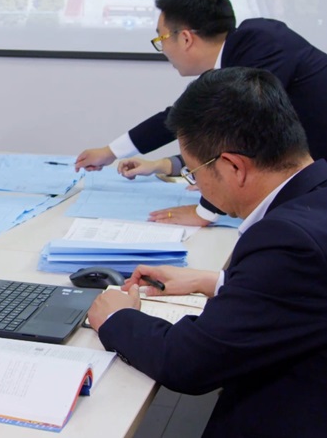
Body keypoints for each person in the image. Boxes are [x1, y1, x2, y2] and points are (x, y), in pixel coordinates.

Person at [87, 67, 327, 437]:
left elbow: (189, 363)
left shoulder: (286, 239)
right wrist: (215, 281)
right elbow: (301, 294)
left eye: (193, 173)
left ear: (234, 167)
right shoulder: (315, 196)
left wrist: (117, 318)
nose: (196, 184)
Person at [74, 0, 327, 226]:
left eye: (161, 38)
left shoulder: (261, 44)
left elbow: (235, 132)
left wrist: (205, 212)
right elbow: (183, 117)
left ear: (185, 38)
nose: (163, 49)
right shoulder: (241, 53)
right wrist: (112, 152)